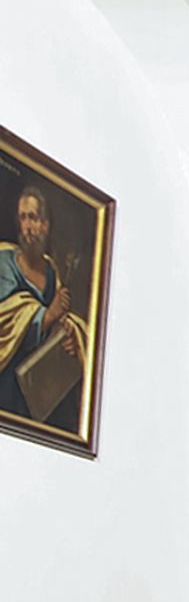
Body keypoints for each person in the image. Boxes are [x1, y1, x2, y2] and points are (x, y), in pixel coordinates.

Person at [0, 186, 86, 433]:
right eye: (23, 218)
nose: (27, 226)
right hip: (8, 389)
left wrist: (65, 338)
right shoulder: (4, 263)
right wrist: (47, 315)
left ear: (45, 226)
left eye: (33, 218)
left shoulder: (50, 270)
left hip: (39, 389)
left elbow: (57, 327)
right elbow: (5, 322)